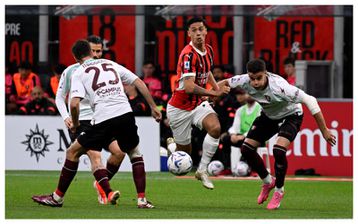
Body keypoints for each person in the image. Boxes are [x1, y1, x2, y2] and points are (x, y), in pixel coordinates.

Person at [32, 39, 162, 208]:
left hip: (102, 118)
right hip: (125, 113)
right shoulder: (110, 64)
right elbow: (138, 82)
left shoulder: (79, 72)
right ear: (90, 51)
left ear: (76, 57)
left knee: (73, 152)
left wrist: (75, 124)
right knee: (134, 153)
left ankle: (58, 198)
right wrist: (153, 107)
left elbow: (73, 103)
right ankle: (141, 200)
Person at [219, 58, 336, 209]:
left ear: (265, 74)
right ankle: (268, 182)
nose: (255, 82)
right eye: (252, 78)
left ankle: (279, 191)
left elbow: (311, 100)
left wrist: (324, 130)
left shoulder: (280, 87)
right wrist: (210, 94)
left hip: (291, 115)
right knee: (246, 149)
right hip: (269, 116)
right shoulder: (244, 80)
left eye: (258, 78)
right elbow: (224, 82)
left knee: (278, 150)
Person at [166, 17, 230, 190]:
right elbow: (188, 87)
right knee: (185, 155)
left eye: (201, 29)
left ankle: (202, 171)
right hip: (179, 108)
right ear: (189, 34)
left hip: (197, 104)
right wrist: (213, 92)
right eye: (194, 30)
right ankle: (172, 146)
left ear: (206, 31)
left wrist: (216, 88)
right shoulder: (188, 55)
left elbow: (206, 70)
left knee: (215, 128)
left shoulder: (208, 50)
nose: (198, 33)